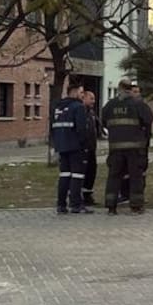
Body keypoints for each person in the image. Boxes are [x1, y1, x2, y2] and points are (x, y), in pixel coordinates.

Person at [102, 77, 153, 215]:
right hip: (134, 148)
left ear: (119, 89)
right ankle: (136, 206)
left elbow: (103, 121)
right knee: (135, 176)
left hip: (115, 148)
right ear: (130, 89)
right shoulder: (138, 103)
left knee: (114, 176)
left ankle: (111, 206)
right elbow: (149, 119)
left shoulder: (110, 105)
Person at [50, 82, 95, 215]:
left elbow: (53, 126)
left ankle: (61, 205)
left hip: (62, 146)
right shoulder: (78, 107)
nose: (82, 95)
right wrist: (84, 145)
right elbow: (81, 129)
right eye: (81, 93)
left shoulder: (58, 106)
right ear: (74, 92)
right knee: (77, 175)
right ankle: (76, 205)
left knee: (64, 175)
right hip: (76, 147)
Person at [81, 90, 102, 206]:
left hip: (91, 148)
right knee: (83, 172)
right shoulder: (81, 112)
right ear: (84, 98)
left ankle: (88, 195)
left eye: (94, 99)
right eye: (91, 99)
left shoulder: (92, 113)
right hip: (83, 148)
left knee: (91, 172)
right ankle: (80, 196)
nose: (93, 101)